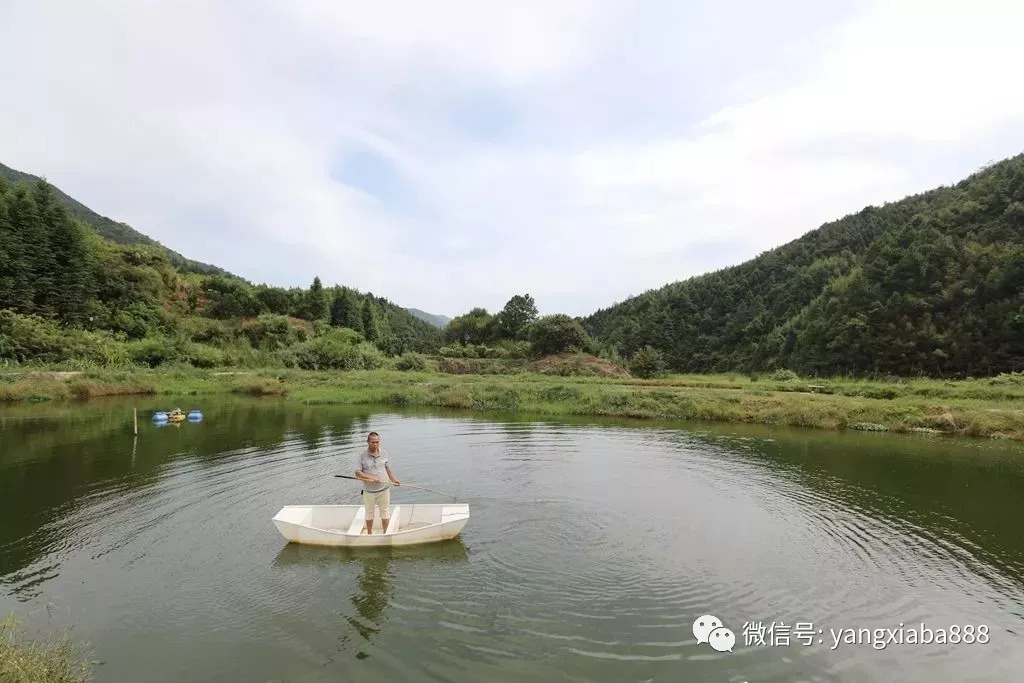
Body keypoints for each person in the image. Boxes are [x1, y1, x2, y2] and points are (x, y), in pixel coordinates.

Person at [354, 431, 401, 534]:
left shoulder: (384, 452)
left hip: (384, 489)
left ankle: (385, 533)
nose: (375, 445)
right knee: (369, 514)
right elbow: (357, 473)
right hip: (369, 491)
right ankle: (369, 534)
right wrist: (370, 477)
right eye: (373, 442)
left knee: (385, 513)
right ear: (368, 442)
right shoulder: (361, 455)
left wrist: (393, 479)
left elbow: (387, 468)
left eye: (377, 442)